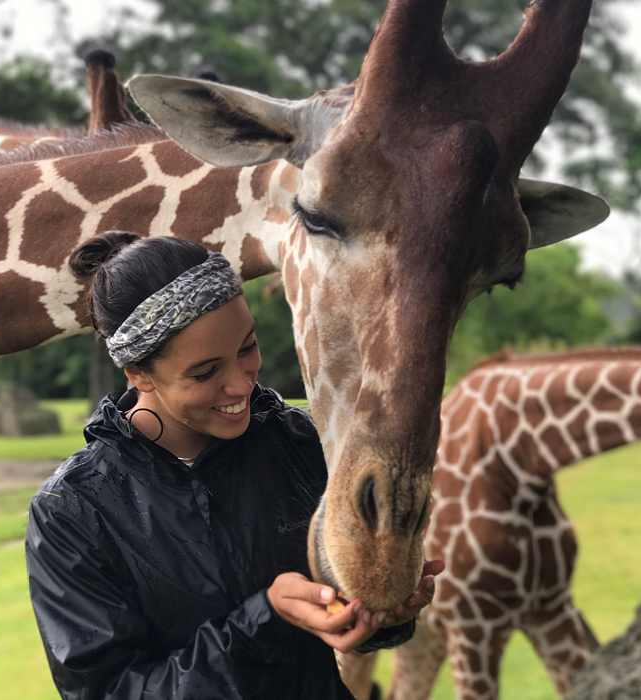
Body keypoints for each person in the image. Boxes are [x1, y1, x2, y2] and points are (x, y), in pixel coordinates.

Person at [25, 231, 443, 700]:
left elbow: (346, 616)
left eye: (247, 348)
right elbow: (107, 691)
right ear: (139, 372)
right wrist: (265, 619)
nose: (241, 385)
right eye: (205, 372)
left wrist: (382, 612)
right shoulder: (72, 510)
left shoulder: (303, 443)